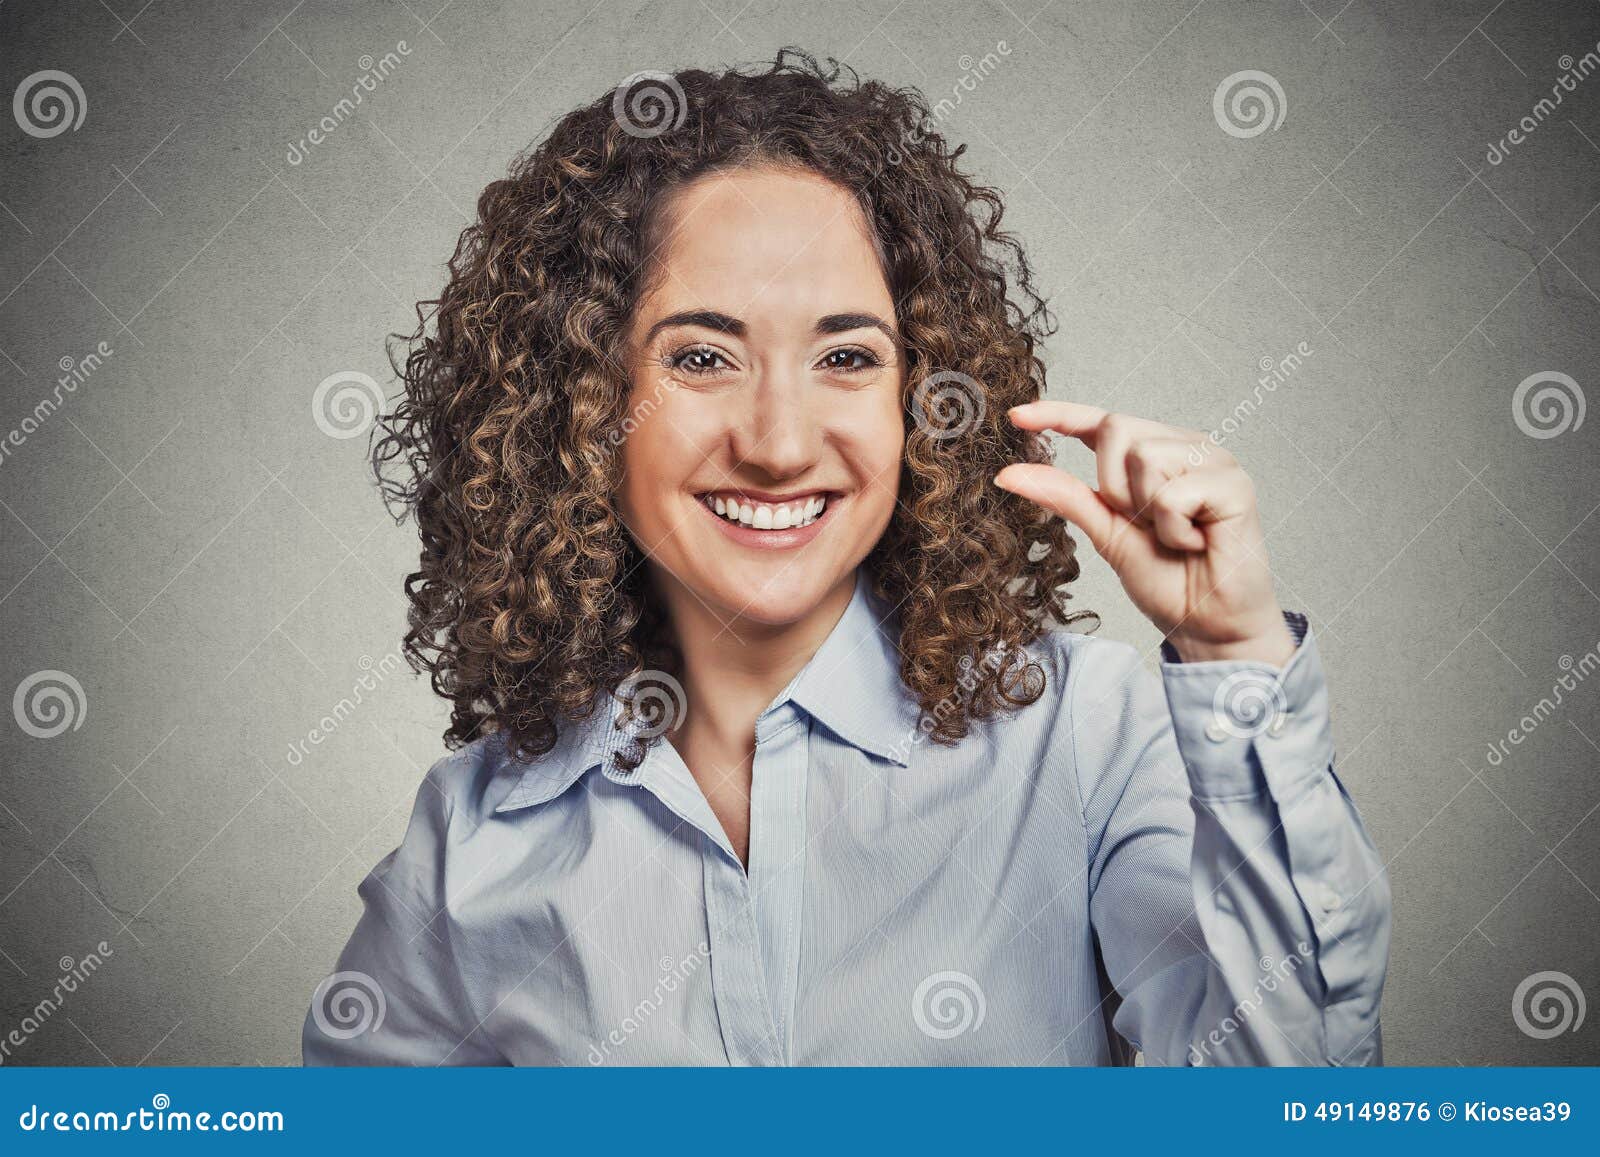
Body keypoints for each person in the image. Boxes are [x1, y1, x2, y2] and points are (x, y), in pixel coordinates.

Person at [303, 50, 1389, 1066]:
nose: (777, 443)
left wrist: (1230, 649)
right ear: (577, 404)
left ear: (921, 400)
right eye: (701, 355)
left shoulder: (1090, 742)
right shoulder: (475, 842)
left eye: (846, 355)